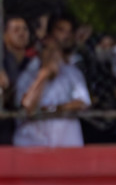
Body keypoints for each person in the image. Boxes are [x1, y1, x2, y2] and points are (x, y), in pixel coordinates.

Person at [14, 33, 90, 147]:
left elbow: (83, 103)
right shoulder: (27, 76)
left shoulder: (72, 73)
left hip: (66, 144)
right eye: (46, 49)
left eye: (55, 50)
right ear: (40, 53)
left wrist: (54, 109)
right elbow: (27, 107)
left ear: (60, 53)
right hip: (33, 144)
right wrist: (43, 77)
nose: (51, 54)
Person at [0, 13, 28, 144]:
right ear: (4, 35)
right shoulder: (3, 64)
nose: (22, 33)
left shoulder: (33, 63)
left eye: (24, 29)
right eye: (16, 30)